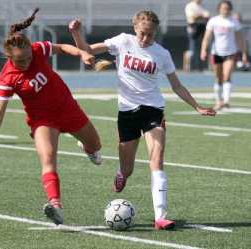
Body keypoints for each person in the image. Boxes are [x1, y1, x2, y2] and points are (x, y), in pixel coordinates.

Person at [69, 10, 216, 230]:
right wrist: (76, 33)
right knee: (127, 169)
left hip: (153, 110)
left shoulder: (162, 54)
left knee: (156, 159)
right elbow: (87, 50)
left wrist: (197, 107)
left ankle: (161, 216)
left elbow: (176, 85)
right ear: (135, 28)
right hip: (127, 112)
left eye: (150, 34)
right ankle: (122, 173)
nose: (146, 38)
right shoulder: (122, 41)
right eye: (142, 34)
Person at [0, 8, 102, 225]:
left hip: (67, 108)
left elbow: (61, 47)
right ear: (9, 58)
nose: (26, 63)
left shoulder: (37, 49)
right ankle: (55, 205)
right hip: (42, 120)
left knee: (96, 146)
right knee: (48, 157)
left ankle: (87, 147)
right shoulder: (8, 77)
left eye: (28, 58)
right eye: (21, 61)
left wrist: (81, 53)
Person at [200, 0, 248, 110]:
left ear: (230, 9)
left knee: (227, 76)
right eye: (223, 8)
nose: (225, 10)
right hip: (216, 53)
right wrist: (203, 50)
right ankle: (218, 101)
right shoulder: (213, 21)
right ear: (219, 9)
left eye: (227, 8)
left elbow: (240, 39)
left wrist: (244, 53)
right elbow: (207, 37)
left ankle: (226, 101)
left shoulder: (234, 21)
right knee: (218, 77)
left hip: (230, 52)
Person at [185, 0, 210, 71]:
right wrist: (201, 15)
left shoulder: (203, 5)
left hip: (202, 27)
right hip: (193, 27)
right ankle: (189, 66)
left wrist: (201, 16)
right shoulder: (190, 6)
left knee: (202, 47)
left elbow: (207, 16)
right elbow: (192, 17)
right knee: (192, 47)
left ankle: (200, 67)